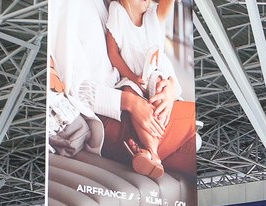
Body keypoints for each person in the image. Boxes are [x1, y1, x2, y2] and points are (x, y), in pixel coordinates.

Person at [49, 0, 196, 177]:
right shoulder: (71, 7)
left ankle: (150, 155)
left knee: (195, 149)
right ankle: (150, 151)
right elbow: (77, 88)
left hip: (135, 101)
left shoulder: (116, 8)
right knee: (197, 120)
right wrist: (131, 103)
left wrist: (170, 87)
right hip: (112, 119)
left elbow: (149, 52)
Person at [105, 0, 176, 177]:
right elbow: (113, 53)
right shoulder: (117, 11)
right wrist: (132, 77)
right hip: (131, 78)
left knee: (159, 89)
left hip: (153, 74)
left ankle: (151, 152)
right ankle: (153, 154)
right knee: (130, 93)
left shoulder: (153, 15)